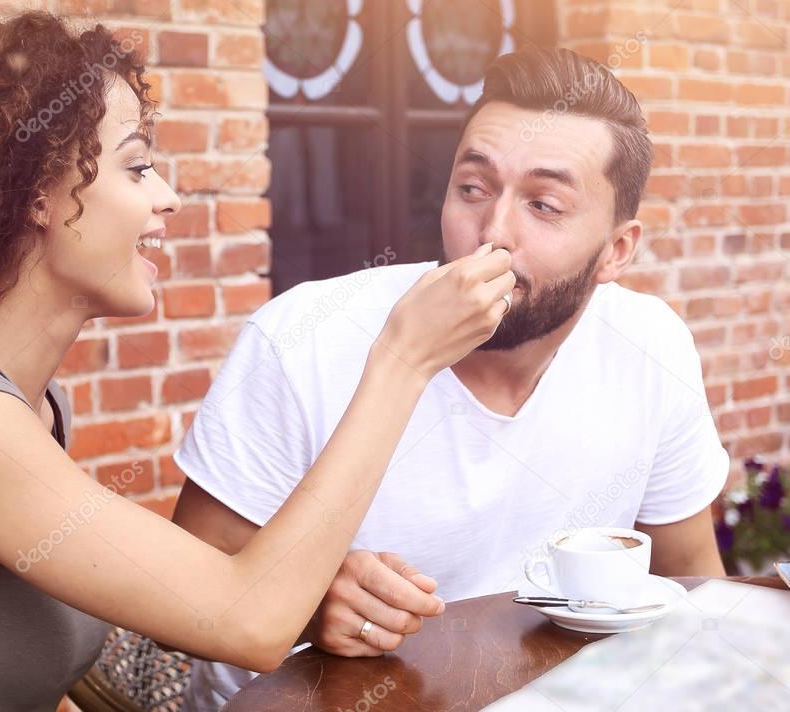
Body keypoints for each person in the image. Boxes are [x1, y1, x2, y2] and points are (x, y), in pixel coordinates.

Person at [0, 12, 517, 711]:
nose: (168, 198)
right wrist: (403, 359)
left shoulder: (29, 401)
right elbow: (246, 618)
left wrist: (307, 589)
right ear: (37, 196)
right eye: (135, 168)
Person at [172, 47, 730, 711]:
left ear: (615, 250)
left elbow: (689, 578)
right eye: (473, 189)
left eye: (543, 205)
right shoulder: (305, 336)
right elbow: (191, 602)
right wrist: (307, 605)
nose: (491, 234)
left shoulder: (647, 343)